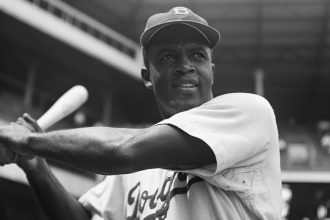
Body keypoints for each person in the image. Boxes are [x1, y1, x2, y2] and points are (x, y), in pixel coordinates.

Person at [0, 6, 282, 220]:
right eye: (168, 57)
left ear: (212, 71)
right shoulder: (135, 165)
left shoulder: (250, 113)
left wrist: (27, 141)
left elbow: (123, 151)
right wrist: (36, 167)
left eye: (198, 55)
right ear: (148, 75)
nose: (186, 65)